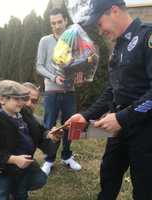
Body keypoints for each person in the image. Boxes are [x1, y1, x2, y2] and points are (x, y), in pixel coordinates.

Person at [66, 0, 152, 199]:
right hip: (119, 127)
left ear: (114, 11)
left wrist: (121, 118)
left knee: (145, 186)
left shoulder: (147, 36)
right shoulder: (118, 46)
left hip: (145, 129)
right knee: (109, 175)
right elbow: (112, 90)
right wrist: (85, 116)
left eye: (99, 23)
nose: (99, 30)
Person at [0, 80, 61, 200]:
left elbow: (43, 139)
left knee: (38, 179)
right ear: (3, 99)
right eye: (24, 98)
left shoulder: (31, 120)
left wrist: (52, 137)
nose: (28, 103)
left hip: (15, 167)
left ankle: (14, 191)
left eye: (33, 101)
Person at [36, 8, 81, 175]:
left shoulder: (74, 40)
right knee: (50, 126)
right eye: (53, 23)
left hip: (70, 90)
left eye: (59, 22)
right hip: (52, 91)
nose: (56, 25)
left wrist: (80, 75)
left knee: (71, 124)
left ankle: (67, 156)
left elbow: (79, 64)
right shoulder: (45, 41)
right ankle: (49, 159)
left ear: (65, 21)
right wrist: (54, 78)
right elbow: (39, 65)